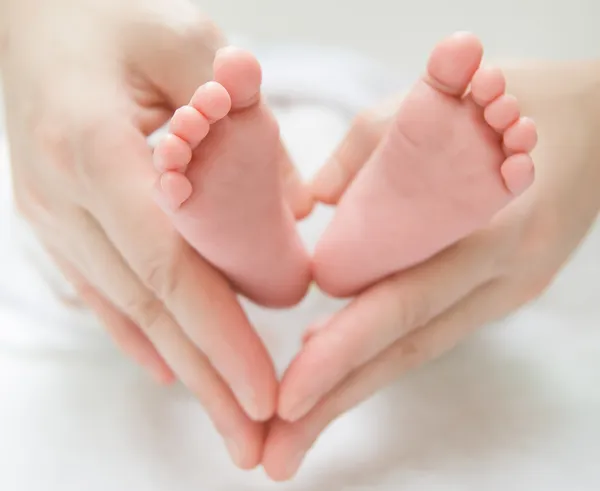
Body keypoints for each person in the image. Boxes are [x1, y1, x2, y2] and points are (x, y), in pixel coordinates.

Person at [1, 0, 599, 482]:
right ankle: (365, 241)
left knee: (96, 234)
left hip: (155, 120)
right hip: (328, 112)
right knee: (109, 194)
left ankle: (279, 244)